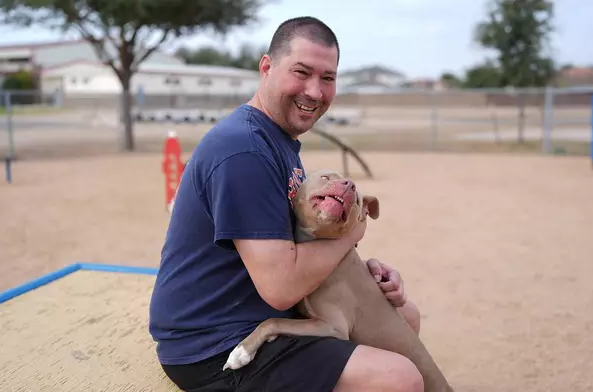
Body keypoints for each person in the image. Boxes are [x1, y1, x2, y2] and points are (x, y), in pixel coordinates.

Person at [149, 16, 423, 392]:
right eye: (301, 72)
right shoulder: (243, 149)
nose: (314, 90)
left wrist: (363, 277)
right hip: (213, 345)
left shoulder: (277, 140)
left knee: (403, 318)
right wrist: (352, 235)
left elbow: (300, 242)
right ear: (266, 67)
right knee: (399, 378)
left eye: (327, 78)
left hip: (258, 313)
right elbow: (280, 286)